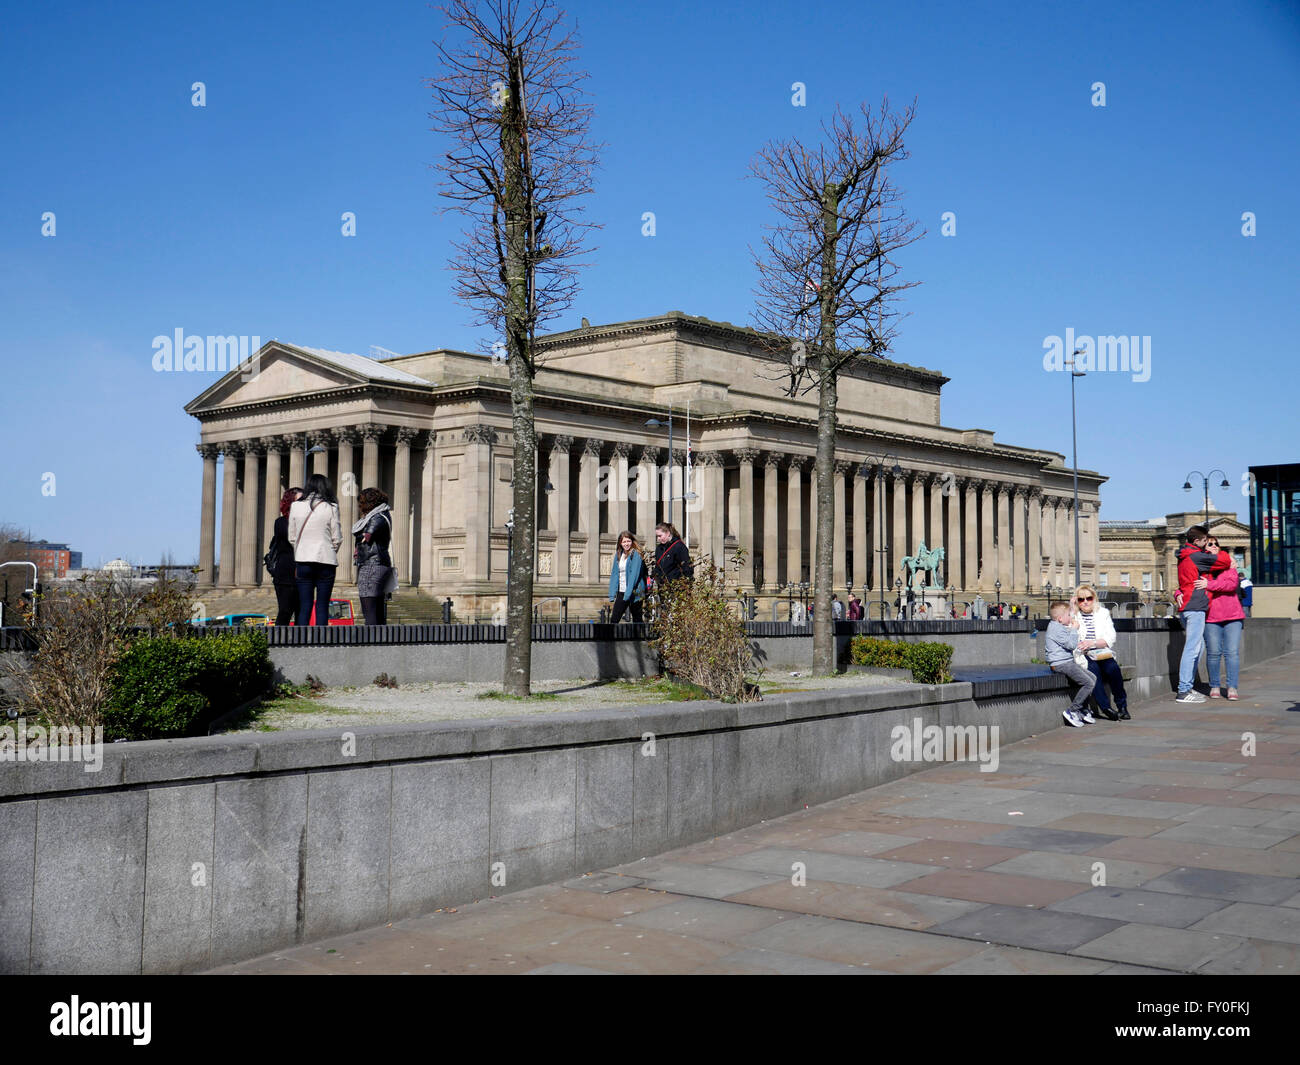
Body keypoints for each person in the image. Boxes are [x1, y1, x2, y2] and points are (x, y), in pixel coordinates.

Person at [1173, 525, 1230, 703]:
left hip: (1191, 606)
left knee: (1198, 647)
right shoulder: (1196, 555)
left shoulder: (1185, 555)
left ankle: (1187, 686)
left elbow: (1184, 582)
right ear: (1197, 541)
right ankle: (1183, 690)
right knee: (1192, 648)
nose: (1207, 544)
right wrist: (1215, 551)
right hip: (1195, 607)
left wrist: (1177, 593)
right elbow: (1225, 561)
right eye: (1206, 541)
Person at [288, 473, 343, 627]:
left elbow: (292, 537)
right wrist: (330, 550)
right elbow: (337, 537)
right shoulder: (331, 507)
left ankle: (302, 641)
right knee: (322, 605)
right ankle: (322, 641)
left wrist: (301, 550)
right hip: (326, 560)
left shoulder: (296, 506)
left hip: (303, 560)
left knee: (304, 605)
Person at [1072, 583, 1129, 721]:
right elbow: (1068, 636)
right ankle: (1106, 708)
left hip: (1101, 651)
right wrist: (1071, 609)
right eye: (1081, 599)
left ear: (1094, 599)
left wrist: (1092, 643)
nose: (1085, 602)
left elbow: (1111, 637)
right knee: (1093, 672)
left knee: (1113, 669)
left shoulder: (1103, 613)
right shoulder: (1073, 615)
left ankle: (1122, 707)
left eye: (1088, 598)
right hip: (1084, 655)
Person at [1203, 536, 1245, 700]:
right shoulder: (1202, 567)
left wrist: (1209, 585)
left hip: (1233, 615)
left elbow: (1231, 585)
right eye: (1209, 544)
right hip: (1211, 616)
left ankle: (1232, 687)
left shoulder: (1229, 565)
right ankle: (1214, 685)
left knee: (1232, 653)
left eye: (1216, 544)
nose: (1213, 546)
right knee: (1213, 653)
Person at [1045, 600, 1097, 727]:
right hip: (1061, 664)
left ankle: (1082, 710)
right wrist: (1074, 629)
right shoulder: (1055, 628)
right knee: (1088, 683)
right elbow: (1071, 645)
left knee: (1093, 678)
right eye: (1069, 615)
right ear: (1060, 618)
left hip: (1067, 662)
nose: (1071, 617)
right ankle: (1073, 710)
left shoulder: (1058, 626)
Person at [353, 487, 393, 626]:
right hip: (380, 563)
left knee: (368, 607)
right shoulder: (384, 515)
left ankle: (371, 644)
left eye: (361, 503)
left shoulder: (377, 517)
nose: (359, 507)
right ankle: (380, 643)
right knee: (377, 609)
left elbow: (366, 537)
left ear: (368, 503)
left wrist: (360, 535)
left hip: (372, 563)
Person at [267, 487, 303, 625]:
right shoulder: (281, 522)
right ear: (290, 503)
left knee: (302, 612)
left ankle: (302, 645)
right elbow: (292, 538)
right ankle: (278, 644)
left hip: (303, 573)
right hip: (285, 574)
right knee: (285, 611)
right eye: (300, 500)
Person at [608, 530, 647, 624]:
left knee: (637, 619)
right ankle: (610, 638)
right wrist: (612, 594)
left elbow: (634, 576)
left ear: (632, 541)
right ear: (620, 543)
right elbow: (614, 574)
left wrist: (627, 594)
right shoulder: (619, 555)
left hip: (635, 592)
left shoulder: (636, 554)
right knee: (614, 619)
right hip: (622, 591)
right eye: (624, 542)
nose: (626, 544)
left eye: (628, 541)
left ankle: (639, 638)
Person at [650, 522, 692, 587]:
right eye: (657, 536)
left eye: (660, 536)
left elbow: (687, 567)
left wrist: (686, 584)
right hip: (662, 587)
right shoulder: (659, 548)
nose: (658, 539)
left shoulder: (679, 546)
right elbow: (658, 566)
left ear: (668, 533)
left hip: (676, 586)